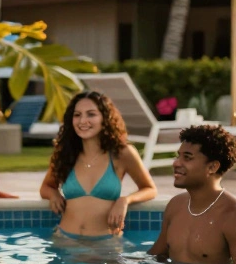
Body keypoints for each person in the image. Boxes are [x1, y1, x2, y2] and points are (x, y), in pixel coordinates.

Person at [40, 91, 157, 239]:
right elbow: (46, 187)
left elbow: (150, 189)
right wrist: (53, 194)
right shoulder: (66, 153)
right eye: (77, 115)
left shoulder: (122, 153)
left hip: (105, 244)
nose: (83, 121)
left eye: (91, 114)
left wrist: (124, 200)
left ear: (105, 118)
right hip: (65, 240)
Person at [149, 125, 236, 264]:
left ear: (212, 167)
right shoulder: (175, 206)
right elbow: (156, 256)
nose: (176, 163)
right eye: (178, 156)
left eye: (187, 158)